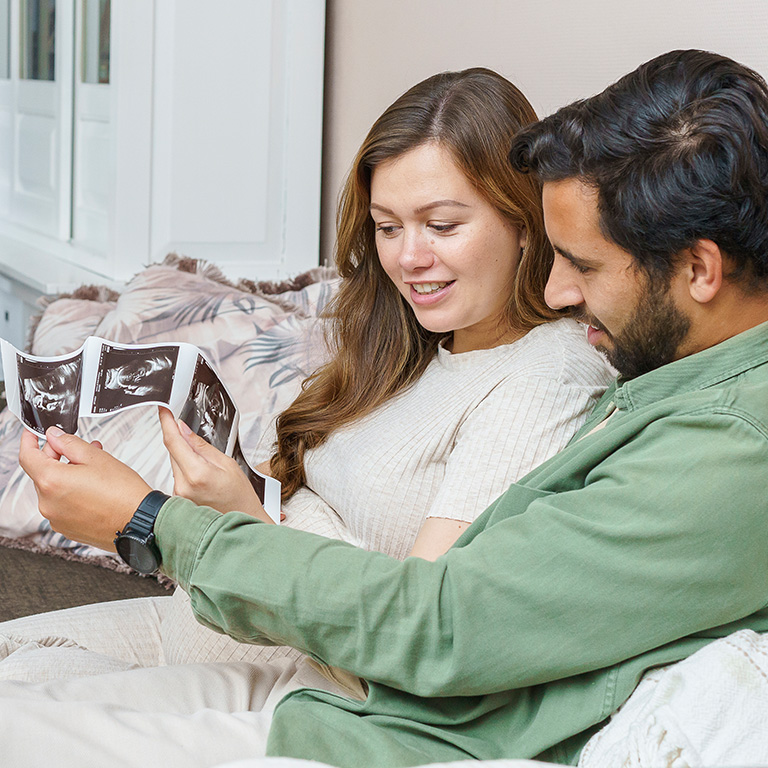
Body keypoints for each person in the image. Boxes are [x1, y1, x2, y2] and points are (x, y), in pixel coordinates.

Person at [11, 47, 768, 767]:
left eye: (583, 264)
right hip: (343, 703)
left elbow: (440, 625)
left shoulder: (726, 441)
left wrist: (154, 526)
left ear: (700, 269)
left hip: (374, 724)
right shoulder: (672, 386)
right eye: (387, 227)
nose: (559, 291)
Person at [0, 67, 611, 685]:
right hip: (212, 623)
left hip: (304, 684)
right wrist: (232, 496)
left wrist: (149, 519)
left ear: (526, 223)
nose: (408, 258)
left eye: (443, 226)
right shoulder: (415, 344)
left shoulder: (545, 375)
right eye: (388, 226)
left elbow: (415, 637)